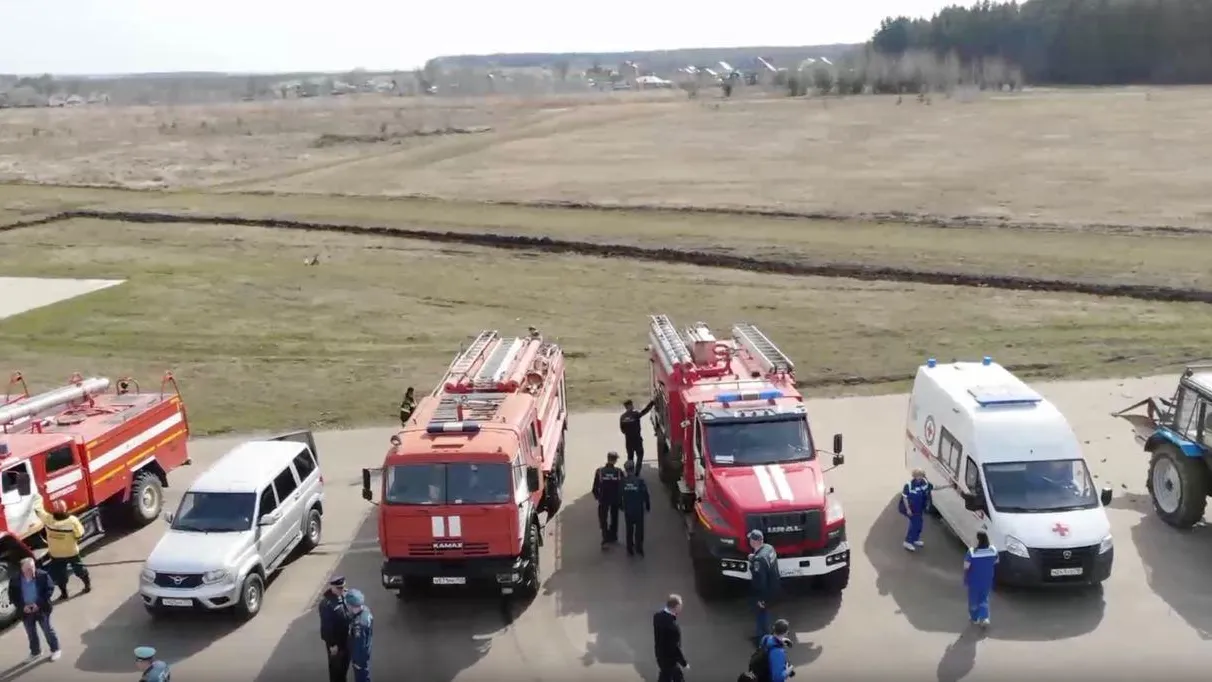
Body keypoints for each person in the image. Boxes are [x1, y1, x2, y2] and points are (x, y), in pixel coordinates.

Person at [33, 496, 91, 600]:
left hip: (56, 554)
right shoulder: (72, 521)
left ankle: (64, 594)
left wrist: (37, 496)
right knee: (80, 570)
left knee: (60, 576)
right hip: (71, 552)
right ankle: (87, 586)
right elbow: (79, 535)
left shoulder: (48, 519)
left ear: (54, 510)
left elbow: (38, 510)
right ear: (66, 509)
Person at [7, 556, 60, 662]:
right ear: (21, 569)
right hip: (25, 611)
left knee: (47, 630)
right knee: (31, 633)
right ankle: (36, 652)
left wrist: (38, 604)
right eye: (27, 569)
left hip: (42, 609)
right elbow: (12, 595)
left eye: (32, 568)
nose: (30, 571)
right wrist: (23, 606)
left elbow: (49, 589)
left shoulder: (43, 575)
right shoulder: (15, 579)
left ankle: (55, 650)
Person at [747, 530, 780, 644]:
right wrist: (754, 557)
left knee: (762, 614)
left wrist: (762, 599)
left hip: (764, 592)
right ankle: (760, 636)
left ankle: (764, 640)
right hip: (774, 585)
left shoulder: (759, 560)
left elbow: (760, 580)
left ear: (755, 541)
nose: (749, 541)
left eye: (751, 539)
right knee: (762, 613)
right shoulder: (769, 548)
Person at [318, 575, 351, 682]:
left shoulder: (345, 595)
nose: (341, 590)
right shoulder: (326, 603)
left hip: (346, 639)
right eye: (338, 588)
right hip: (336, 642)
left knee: (344, 667)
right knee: (336, 671)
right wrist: (332, 644)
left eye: (342, 587)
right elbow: (326, 627)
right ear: (332, 587)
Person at [964, 531, 999, 627]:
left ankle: (975, 618)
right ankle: (984, 618)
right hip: (987, 578)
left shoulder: (971, 552)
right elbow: (996, 561)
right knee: (984, 598)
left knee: (974, 599)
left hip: (974, 579)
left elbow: (966, 566)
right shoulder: (993, 550)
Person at [591, 451, 624, 549]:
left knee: (603, 519)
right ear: (615, 460)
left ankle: (605, 538)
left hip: (603, 499)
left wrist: (598, 497)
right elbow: (622, 487)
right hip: (614, 499)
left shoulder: (599, 471)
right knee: (614, 518)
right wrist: (621, 500)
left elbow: (594, 488)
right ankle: (613, 536)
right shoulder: (618, 472)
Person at [653, 594, 689, 682]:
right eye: (680, 606)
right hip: (670, 659)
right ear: (676, 607)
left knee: (665, 677)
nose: (681, 608)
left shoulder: (657, 617)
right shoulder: (672, 626)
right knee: (677, 678)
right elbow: (674, 646)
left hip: (660, 656)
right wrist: (683, 662)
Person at [621, 460, 651, 557]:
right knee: (639, 530)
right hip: (638, 509)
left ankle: (629, 548)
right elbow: (645, 494)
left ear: (626, 470)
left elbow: (619, 495)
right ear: (633, 469)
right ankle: (639, 548)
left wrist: (621, 506)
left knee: (629, 529)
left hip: (628, 509)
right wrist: (647, 505)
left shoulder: (623, 482)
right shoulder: (640, 481)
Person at [901, 468, 934, 551]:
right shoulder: (909, 485)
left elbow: (933, 488)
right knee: (914, 525)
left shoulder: (924, 483)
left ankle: (915, 539)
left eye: (921, 475)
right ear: (914, 476)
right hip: (911, 509)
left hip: (919, 508)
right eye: (918, 476)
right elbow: (905, 498)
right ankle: (908, 542)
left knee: (919, 524)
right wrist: (908, 509)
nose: (919, 477)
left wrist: (948, 486)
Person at [345, 588, 374, 682]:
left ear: (351, 605)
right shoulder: (366, 611)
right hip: (366, 653)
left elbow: (359, 645)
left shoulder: (359, 625)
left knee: (362, 678)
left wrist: (357, 662)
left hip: (360, 659)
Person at [619, 399, 655, 470]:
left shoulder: (622, 417)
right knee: (640, 455)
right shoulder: (635, 414)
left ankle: (630, 471)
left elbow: (622, 430)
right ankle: (637, 472)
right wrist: (652, 403)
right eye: (632, 405)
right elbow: (644, 412)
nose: (633, 406)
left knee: (630, 456)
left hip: (628, 440)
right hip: (637, 439)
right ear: (629, 406)